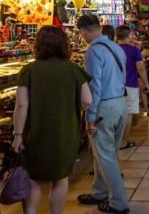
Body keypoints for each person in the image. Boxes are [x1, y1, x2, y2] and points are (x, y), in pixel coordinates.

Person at [12, 26, 92, 214]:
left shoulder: (29, 70)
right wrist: (73, 108)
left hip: (35, 132)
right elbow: (87, 100)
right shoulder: (73, 69)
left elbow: (21, 105)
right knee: (60, 178)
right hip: (65, 132)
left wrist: (18, 135)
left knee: (33, 179)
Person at [77, 14, 129, 214]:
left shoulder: (93, 51)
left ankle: (119, 203)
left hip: (103, 108)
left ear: (84, 31)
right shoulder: (116, 47)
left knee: (106, 157)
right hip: (120, 104)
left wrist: (90, 117)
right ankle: (99, 192)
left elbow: (94, 87)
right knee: (107, 153)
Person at [117, 26, 149, 149]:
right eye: (131, 35)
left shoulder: (112, 49)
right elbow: (141, 68)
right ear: (127, 36)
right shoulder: (134, 50)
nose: (133, 37)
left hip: (114, 87)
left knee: (118, 114)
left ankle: (116, 140)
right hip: (130, 85)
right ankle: (123, 141)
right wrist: (146, 83)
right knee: (128, 114)